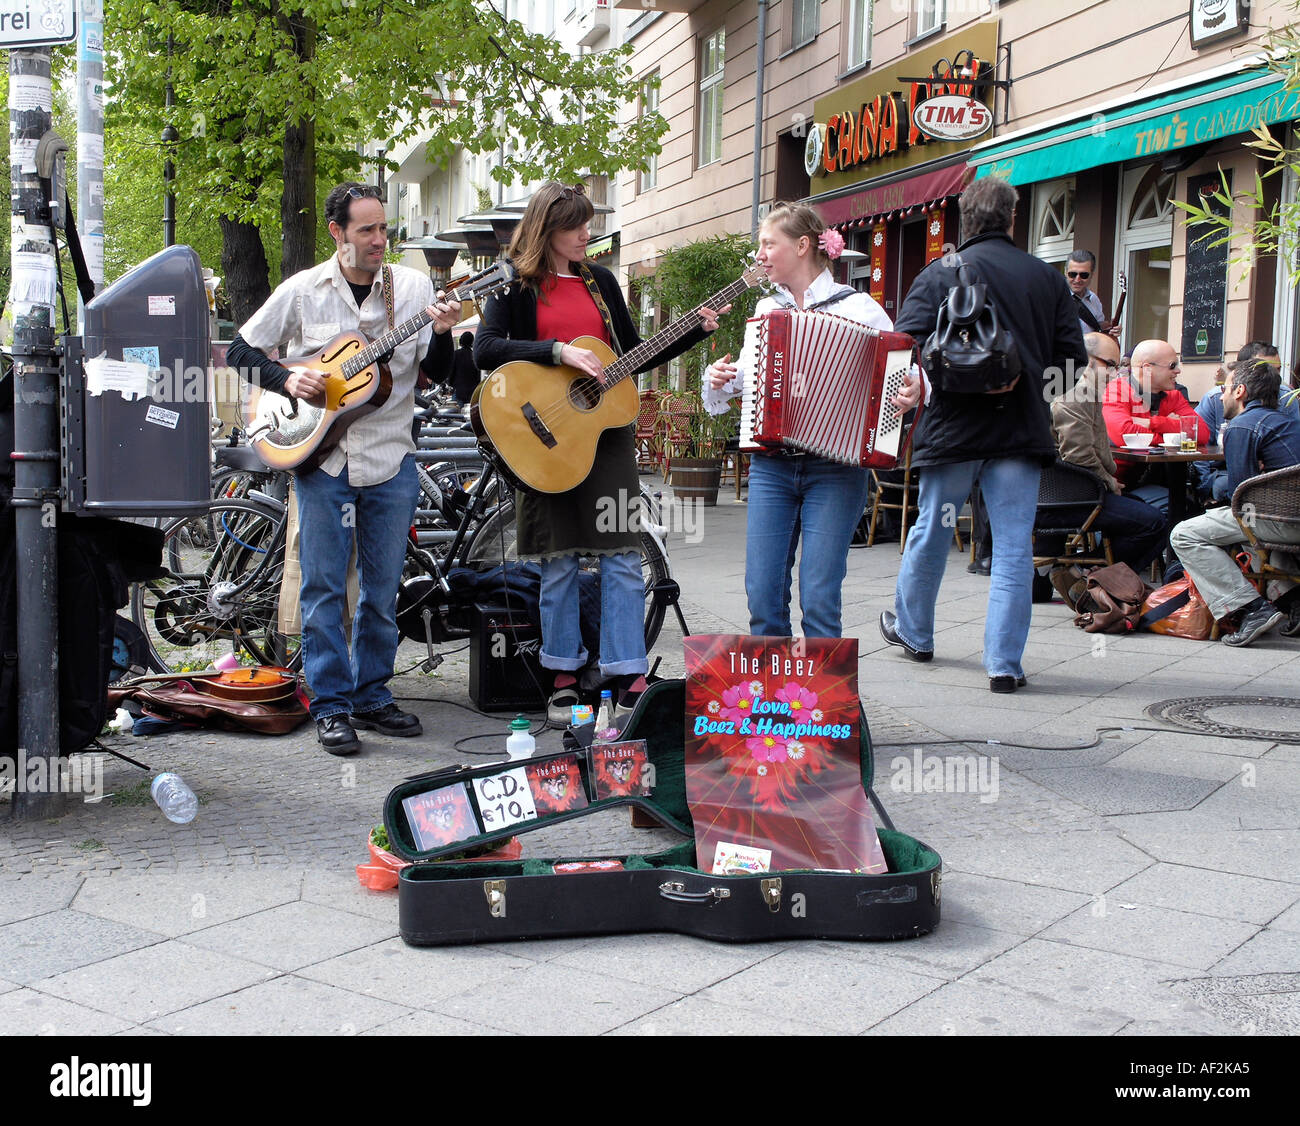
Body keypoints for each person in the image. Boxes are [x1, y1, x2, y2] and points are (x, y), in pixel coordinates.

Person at [474, 181, 724, 724]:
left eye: (588, 223)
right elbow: (485, 349)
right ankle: (563, 673)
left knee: (621, 555)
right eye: (576, 226)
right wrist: (557, 350)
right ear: (547, 231)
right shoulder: (515, 288)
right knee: (558, 559)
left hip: (606, 435)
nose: (588, 233)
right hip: (544, 441)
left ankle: (626, 670)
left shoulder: (602, 281)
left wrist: (693, 333)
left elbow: (635, 352)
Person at [228, 182, 462, 754]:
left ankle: (373, 695)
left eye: (384, 229)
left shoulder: (412, 288)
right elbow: (240, 350)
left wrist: (445, 330)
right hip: (323, 458)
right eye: (367, 230)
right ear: (337, 233)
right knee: (323, 587)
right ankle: (330, 704)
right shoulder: (305, 291)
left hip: (391, 456)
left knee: (382, 589)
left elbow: (443, 371)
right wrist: (288, 379)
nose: (380, 240)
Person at [878, 175, 1087, 693]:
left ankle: (916, 633)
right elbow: (1073, 359)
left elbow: (902, 347)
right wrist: (1024, 385)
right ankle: (1003, 664)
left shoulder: (938, 273)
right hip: (1018, 431)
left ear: (963, 219)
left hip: (951, 430)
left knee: (934, 528)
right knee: (1014, 545)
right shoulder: (1046, 278)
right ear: (1012, 219)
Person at [703, 201, 920, 637]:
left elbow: (908, 370)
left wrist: (917, 388)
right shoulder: (766, 311)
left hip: (835, 470)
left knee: (819, 599)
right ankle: (771, 702)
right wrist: (718, 380)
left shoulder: (859, 308)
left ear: (803, 245)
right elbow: (745, 380)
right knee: (762, 595)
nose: (760, 255)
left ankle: (821, 704)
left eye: (768, 244)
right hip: (771, 464)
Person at [1168, 356, 1300, 646]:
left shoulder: (1242, 426)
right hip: (1290, 519)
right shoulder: (1287, 421)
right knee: (1241, 527)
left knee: (1185, 534)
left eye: (1223, 387)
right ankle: (1293, 601)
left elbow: (1241, 497)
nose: (1220, 394)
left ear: (1239, 391)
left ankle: (1249, 609)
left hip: (1280, 522)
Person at [1048, 331, 1166, 580]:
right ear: (1086, 359)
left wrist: (1110, 476)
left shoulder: (1085, 392)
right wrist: (1110, 481)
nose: (1116, 373)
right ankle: (1096, 580)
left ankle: (1085, 574)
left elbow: (1094, 450)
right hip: (1067, 498)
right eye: (1110, 365)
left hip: (1073, 493)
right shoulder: (1075, 394)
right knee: (1153, 522)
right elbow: (1078, 456)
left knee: (1143, 510)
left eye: (1119, 365)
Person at [1102, 338, 1209, 500]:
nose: (1178, 371)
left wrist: (1153, 422)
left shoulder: (1174, 396)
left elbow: (1200, 432)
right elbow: (1125, 434)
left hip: (1152, 480)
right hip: (1115, 485)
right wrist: (1173, 432)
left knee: (1183, 504)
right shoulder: (1117, 390)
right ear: (1147, 368)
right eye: (1172, 365)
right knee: (1172, 505)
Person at [1193, 342, 1288, 504]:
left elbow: (1242, 496)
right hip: (1269, 496)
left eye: (1277, 370)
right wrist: (1204, 487)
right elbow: (1195, 443)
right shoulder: (1214, 399)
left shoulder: (1287, 398)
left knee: (1182, 530)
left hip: (1265, 503)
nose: (1274, 377)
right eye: (1264, 370)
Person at [1066, 250, 1118, 340]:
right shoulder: (1054, 299)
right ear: (1065, 272)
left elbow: (1099, 329)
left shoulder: (1094, 300)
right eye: (1072, 274)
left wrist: (1112, 330)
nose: (1077, 279)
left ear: (1092, 275)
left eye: (1084, 275)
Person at [449, 331, 480, 404]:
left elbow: (451, 371)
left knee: (456, 413)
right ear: (472, 342)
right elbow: (478, 375)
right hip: (472, 391)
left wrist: (450, 383)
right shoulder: (474, 355)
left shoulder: (456, 354)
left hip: (458, 390)